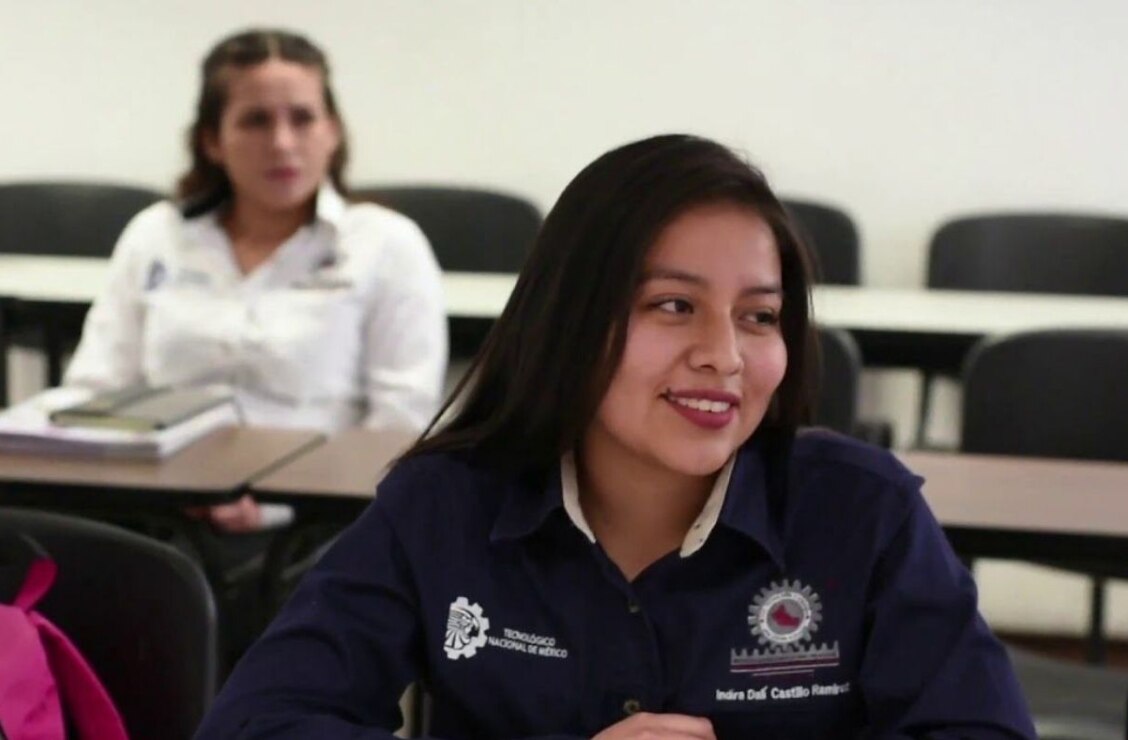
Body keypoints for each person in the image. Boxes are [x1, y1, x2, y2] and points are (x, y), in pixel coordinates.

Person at [195, 135, 1035, 739]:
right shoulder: (447, 502)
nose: (724, 356)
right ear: (572, 317)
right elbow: (262, 720)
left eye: (761, 316)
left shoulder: (862, 514)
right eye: (673, 305)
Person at [64, 29, 447, 532]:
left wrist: (274, 506)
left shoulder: (387, 245)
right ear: (212, 141)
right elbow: (95, 389)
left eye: (303, 118)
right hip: (156, 508)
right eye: (256, 121)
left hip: (319, 521)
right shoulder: (156, 235)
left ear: (332, 132)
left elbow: (399, 426)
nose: (283, 143)